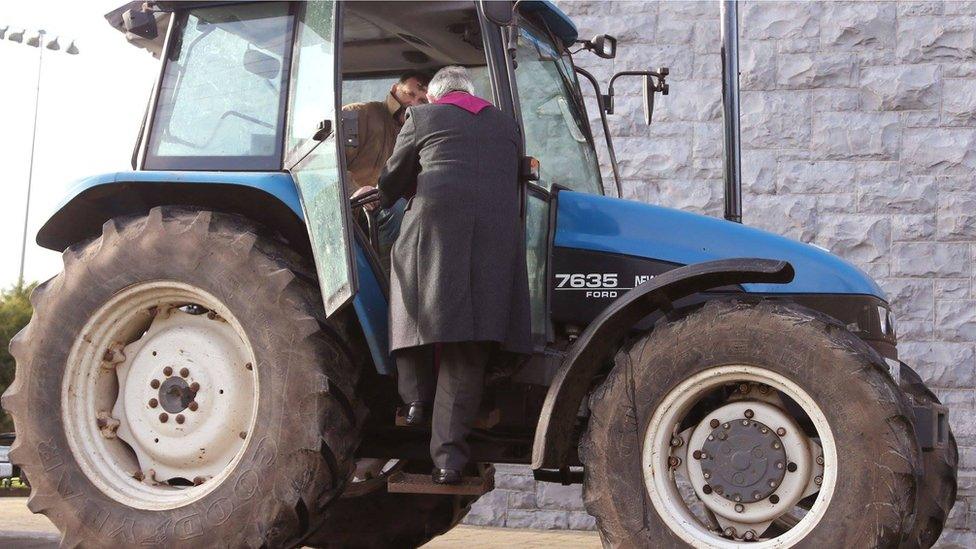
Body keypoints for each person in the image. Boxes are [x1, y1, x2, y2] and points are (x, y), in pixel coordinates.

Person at [375, 66, 532, 484]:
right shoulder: (506, 124)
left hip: (435, 229)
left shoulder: (422, 117)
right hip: (496, 240)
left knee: (408, 296)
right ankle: (447, 463)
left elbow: (393, 179)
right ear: (472, 94)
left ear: (434, 96)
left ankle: (414, 401)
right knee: (467, 344)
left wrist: (381, 196)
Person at [345, 70, 429, 273]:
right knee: (396, 209)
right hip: (347, 208)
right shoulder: (358, 114)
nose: (414, 103)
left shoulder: (416, 135)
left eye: (422, 101)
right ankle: (388, 288)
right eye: (410, 94)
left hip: (378, 209)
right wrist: (354, 190)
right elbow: (326, 163)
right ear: (394, 89)